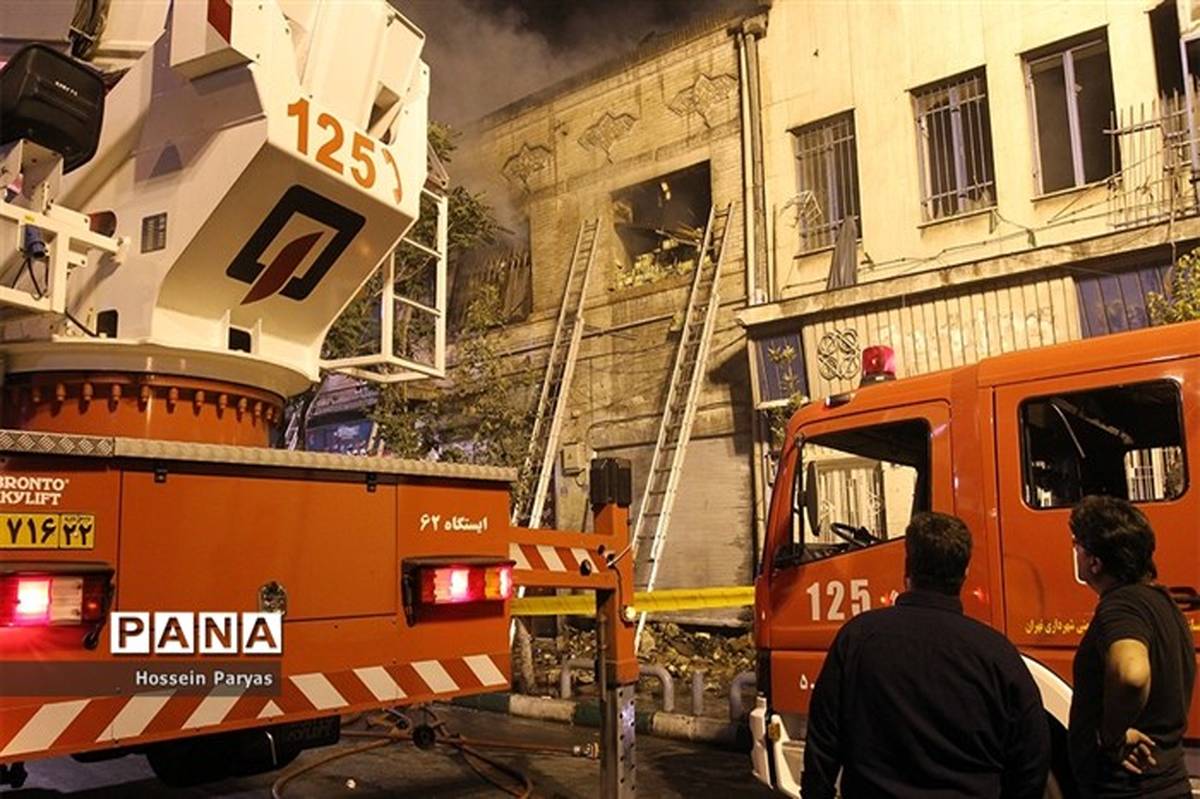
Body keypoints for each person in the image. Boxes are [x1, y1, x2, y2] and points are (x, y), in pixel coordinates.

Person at [801, 512, 1050, 799]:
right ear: (965, 573)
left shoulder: (857, 638)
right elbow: (1032, 756)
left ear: (908, 567)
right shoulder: (997, 654)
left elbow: (823, 743)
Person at [1068, 495, 1195, 798]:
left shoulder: (1120, 606)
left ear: (1095, 562)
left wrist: (1111, 736)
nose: (1075, 552)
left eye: (1078, 545)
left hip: (1128, 789)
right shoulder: (1163, 603)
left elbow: (1132, 675)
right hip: (1168, 782)